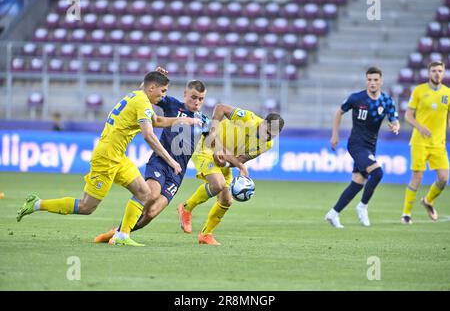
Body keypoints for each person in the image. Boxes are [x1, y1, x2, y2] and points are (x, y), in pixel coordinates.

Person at [16, 71, 200, 246]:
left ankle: (122, 235)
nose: (163, 96)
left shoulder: (137, 96)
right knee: (86, 207)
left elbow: (157, 121)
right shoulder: (142, 102)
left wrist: (183, 120)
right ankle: (37, 204)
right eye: (162, 91)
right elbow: (149, 135)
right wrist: (170, 160)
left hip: (118, 156)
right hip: (106, 157)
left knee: (144, 193)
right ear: (151, 88)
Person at [94, 79, 209, 244]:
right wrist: (151, 79)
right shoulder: (173, 105)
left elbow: (214, 145)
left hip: (178, 173)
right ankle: (121, 234)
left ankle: (118, 232)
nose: (197, 102)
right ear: (185, 94)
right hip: (160, 162)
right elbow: (144, 95)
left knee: (152, 212)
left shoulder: (203, 121)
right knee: (151, 194)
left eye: (201, 99)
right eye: (193, 97)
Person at [177, 103, 285, 245]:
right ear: (263, 124)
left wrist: (226, 163)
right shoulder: (248, 119)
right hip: (207, 147)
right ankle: (186, 208)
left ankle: (206, 235)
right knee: (219, 184)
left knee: (226, 201)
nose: (269, 137)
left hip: (225, 156)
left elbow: (240, 160)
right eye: (268, 132)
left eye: (273, 136)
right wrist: (212, 131)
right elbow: (220, 107)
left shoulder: (267, 145)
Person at [325, 67, 400, 228]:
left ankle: (333, 213)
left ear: (381, 81)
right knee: (378, 173)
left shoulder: (387, 101)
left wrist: (396, 127)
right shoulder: (357, 98)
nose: (372, 83)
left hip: (371, 146)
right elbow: (339, 112)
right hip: (356, 144)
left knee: (358, 182)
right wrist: (335, 135)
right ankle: (362, 206)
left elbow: (394, 119)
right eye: (369, 80)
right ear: (366, 81)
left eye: (375, 80)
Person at [401, 61, 450, 224]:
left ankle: (428, 201)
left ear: (443, 73)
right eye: (434, 70)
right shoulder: (419, 91)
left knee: (443, 178)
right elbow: (408, 115)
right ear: (429, 73)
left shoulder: (448, 93)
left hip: (439, 143)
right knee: (417, 177)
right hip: (420, 142)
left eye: (440, 71)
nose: (437, 73)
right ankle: (406, 214)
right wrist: (420, 127)